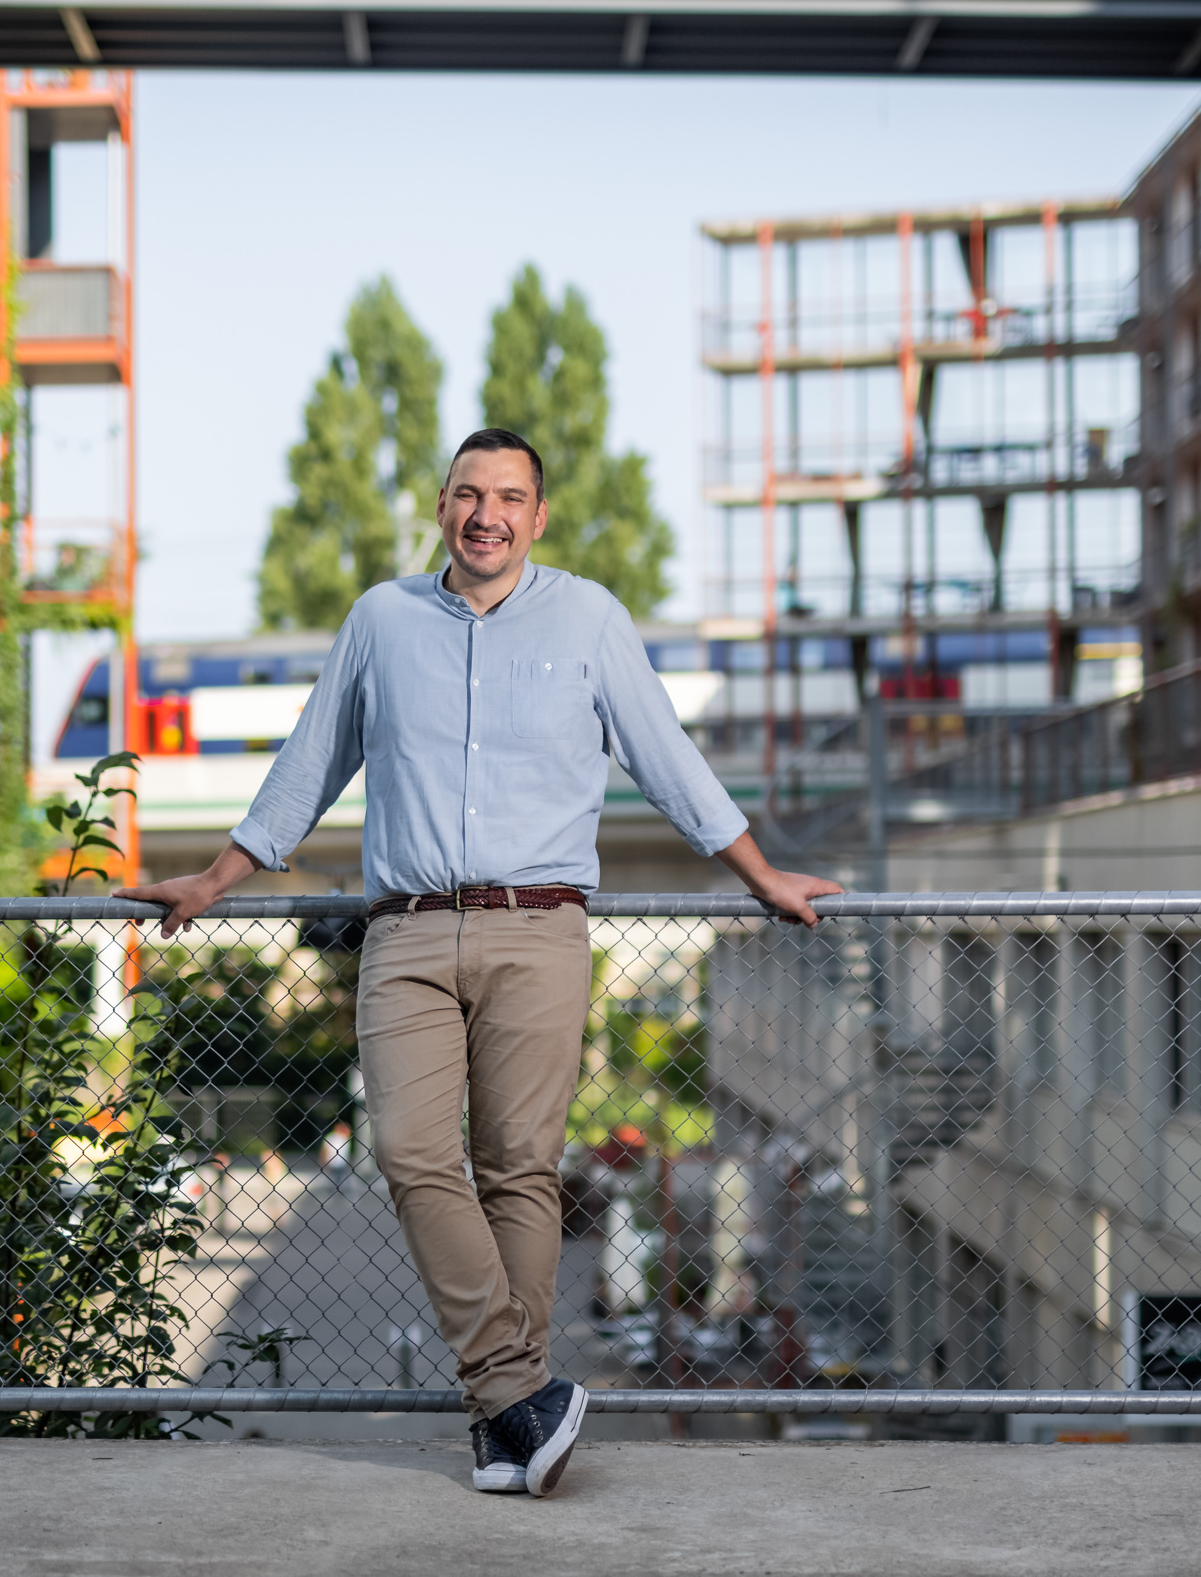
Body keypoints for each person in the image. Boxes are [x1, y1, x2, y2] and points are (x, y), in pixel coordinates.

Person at [122, 427, 840, 1499]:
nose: (486, 512)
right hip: (405, 930)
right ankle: (519, 1389)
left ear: (537, 516)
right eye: (467, 493)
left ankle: (503, 1432)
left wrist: (758, 872)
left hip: (537, 929)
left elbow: (666, 756)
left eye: (509, 495)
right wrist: (213, 880)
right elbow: (309, 760)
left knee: (518, 1173)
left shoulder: (589, 616)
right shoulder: (382, 618)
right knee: (413, 1155)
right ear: (442, 507)